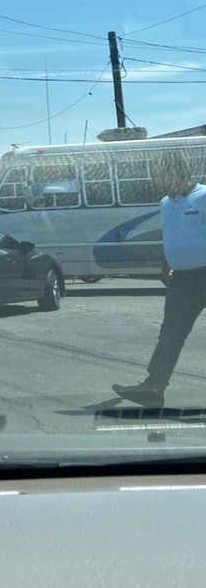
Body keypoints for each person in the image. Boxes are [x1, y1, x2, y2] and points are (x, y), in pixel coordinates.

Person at [112, 151, 206, 407]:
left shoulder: (203, 196)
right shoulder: (165, 203)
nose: (155, 181)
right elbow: (170, 236)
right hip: (182, 279)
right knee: (171, 334)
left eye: (158, 176)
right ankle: (154, 387)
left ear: (176, 173)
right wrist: (166, 263)